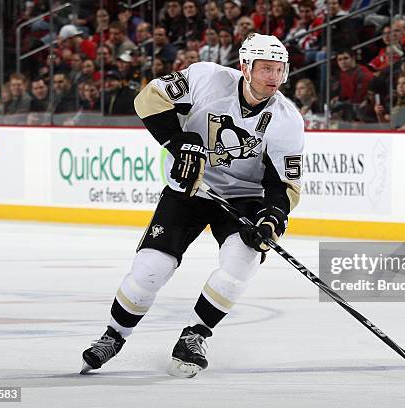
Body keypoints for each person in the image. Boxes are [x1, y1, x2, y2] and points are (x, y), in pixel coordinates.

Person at [80, 33, 304, 378]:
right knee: (150, 268)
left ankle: (194, 337)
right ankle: (113, 336)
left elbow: (284, 184)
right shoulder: (206, 78)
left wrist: (273, 216)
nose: (273, 77)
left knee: (240, 263)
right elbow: (149, 99)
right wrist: (179, 143)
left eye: (279, 70)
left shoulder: (287, 120)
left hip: (245, 197)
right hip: (189, 189)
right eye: (265, 69)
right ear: (244, 66)